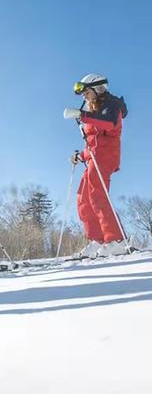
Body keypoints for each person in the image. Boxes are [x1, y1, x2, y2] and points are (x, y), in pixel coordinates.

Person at [63, 73, 128, 258]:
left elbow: (108, 125)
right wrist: (80, 155)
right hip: (93, 157)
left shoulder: (112, 105)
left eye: (86, 92)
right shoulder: (94, 110)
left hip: (106, 157)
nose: (84, 96)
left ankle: (116, 240)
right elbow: (93, 142)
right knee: (83, 198)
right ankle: (98, 239)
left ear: (98, 89)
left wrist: (82, 115)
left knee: (97, 196)